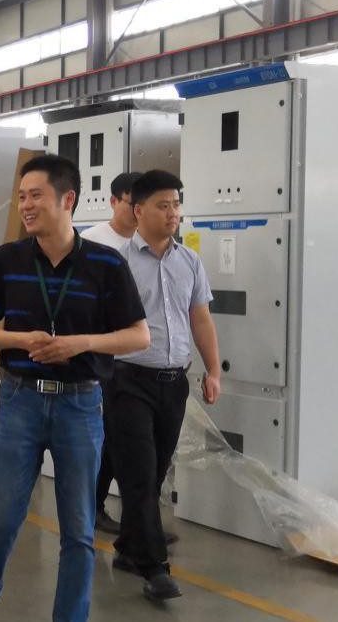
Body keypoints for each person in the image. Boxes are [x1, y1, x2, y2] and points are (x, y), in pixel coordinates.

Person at [0, 155, 150, 622]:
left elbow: (138, 336)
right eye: (22, 197)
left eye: (35, 196)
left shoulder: (106, 264)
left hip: (79, 404)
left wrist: (80, 344)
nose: (25, 205)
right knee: (2, 517)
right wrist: (21, 339)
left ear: (68, 199)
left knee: (79, 529)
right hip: (20, 399)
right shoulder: (8, 259)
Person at [108, 169, 221, 601]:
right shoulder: (117, 263)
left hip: (174, 383)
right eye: (163, 205)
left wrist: (213, 370)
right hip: (128, 380)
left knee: (154, 474)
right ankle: (154, 568)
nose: (173, 213)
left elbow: (200, 318)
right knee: (138, 473)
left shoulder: (189, 260)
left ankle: (127, 547)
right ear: (138, 210)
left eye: (176, 204)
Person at [80, 171, 142, 535]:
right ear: (114, 201)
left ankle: (140, 523)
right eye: (132, 204)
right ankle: (94, 507)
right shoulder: (92, 242)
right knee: (107, 440)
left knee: (133, 445)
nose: (137, 212)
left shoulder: (149, 242)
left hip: (140, 358)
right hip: (106, 360)